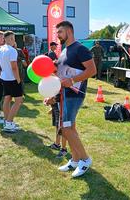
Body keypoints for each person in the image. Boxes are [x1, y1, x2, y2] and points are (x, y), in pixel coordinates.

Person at [54, 21, 96, 177]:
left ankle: (85, 159)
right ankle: (75, 159)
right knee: (70, 128)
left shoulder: (80, 49)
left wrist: (71, 81)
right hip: (65, 95)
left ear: (69, 31)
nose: (57, 35)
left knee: (66, 129)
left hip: (75, 94)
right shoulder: (64, 51)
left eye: (60, 32)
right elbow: (61, 74)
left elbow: (92, 70)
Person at [0, 31, 23, 133]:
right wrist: (18, 80)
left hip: (4, 78)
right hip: (12, 79)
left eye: (14, 38)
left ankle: (7, 122)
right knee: (18, 100)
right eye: (12, 38)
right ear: (6, 39)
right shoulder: (12, 50)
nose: (13, 40)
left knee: (7, 99)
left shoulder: (0, 50)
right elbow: (14, 67)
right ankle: (9, 123)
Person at [44, 94, 68, 158]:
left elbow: (60, 92)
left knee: (62, 128)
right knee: (58, 126)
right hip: (55, 105)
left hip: (60, 105)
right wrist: (48, 99)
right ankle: (57, 144)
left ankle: (64, 149)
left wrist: (51, 100)